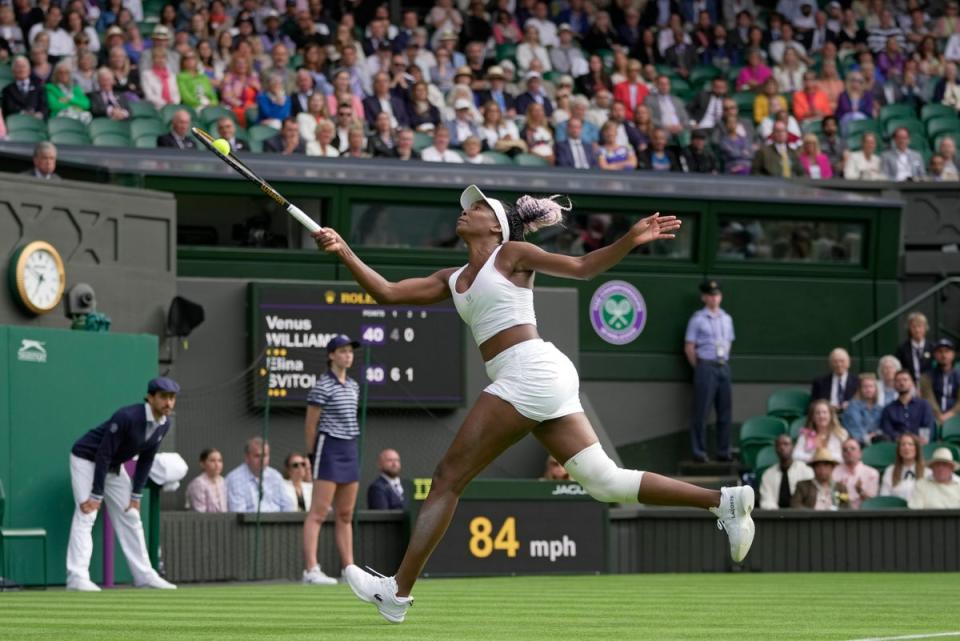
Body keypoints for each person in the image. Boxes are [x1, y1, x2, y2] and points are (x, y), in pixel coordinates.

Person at [314, 185, 755, 623]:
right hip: (536, 377)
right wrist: (345, 251)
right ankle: (724, 502)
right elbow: (388, 293)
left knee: (448, 477)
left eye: (480, 208)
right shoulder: (452, 278)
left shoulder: (512, 255)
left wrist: (628, 240)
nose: (467, 212)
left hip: (530, 372)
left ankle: (397, 592)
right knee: (606, 482)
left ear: (498, 227)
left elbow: (582, 267)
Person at [67, 377, 180, 591]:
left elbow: (147, 458)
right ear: (150, 397)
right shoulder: (127, 416)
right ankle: (77, 577)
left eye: (172, 398)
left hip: (112, 466)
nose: (168, 403)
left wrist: (136, 495)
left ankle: (144, 576)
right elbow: (103, 454)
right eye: (164, 397)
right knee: (87, 513)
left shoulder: (165, 424)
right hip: (86, 459)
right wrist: (96, 495)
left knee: (131, 515)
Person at [302, 334, 362, 586]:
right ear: (331, 356)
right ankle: (311, 570)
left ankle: (348, 569)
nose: (348, 355)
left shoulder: (354, 386)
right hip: (328, 449)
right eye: (342, 351)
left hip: (350, 448)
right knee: (318, 513)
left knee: (345, 514)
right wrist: (312, 455)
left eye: (350, 351)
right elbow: (310, 425)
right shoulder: (322, 386)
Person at [684, 279, 735, 463]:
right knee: (701, 411)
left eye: (717, 295)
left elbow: (729, 341)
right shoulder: (697, 319)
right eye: (711, 295)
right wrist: (699, 367)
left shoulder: (727, 318)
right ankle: (699, 452)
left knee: (725, 411)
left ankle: (723, 451)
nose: (714, 299)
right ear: (704, 297)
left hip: (723, 365)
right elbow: (689, 347)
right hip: (705, 366)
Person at [225, 437, 294, 512]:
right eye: (257, 456)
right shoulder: (235, 479)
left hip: (278, 522)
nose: (262, 460)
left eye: (265, 455)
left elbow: (288, 505)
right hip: (250, 523)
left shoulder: (275, 476)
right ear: (247, 457)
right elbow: (238, 513)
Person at [759, 433, 814, 509]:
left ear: (793, 447)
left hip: (802, 516)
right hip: (775, 517)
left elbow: (810, 499)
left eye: (786, 444)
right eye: (779, 445)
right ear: (775, 449)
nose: (782, 447)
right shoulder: (768, 474)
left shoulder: (806, 471)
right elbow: (766, 501)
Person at [879, 370, 936, 442]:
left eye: (905, 380)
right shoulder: (888, 409)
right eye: (898, 381)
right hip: (896, 446)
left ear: (912, 383)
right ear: (894, 385)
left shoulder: (924, 405)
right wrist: (905, 440)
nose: (902, 383)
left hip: (921, 445)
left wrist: (918, 440)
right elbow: (888, 431)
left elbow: (928, 426)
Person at [794, 399, 849, 464]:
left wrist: (826, 457)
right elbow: (795, 455)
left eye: (824, 412)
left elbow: (846, 456)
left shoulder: (841, 433)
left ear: (831, 415)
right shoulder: (805, 434)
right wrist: (814, 458)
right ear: (813, 417)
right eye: (817, 413)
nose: (821, 416)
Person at [919, 338, 960, 425]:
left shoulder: (958, 375)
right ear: (935, 355)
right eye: (940, 351)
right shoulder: (926, 376)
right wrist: (939, 415)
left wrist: (950, 414)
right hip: (933, 416)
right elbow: (928, 399)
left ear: (953, 354)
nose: (943, 355)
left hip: (956, 416)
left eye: (947, 351)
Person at [880, 433, 930, 500]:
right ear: (899, 450)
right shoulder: (890, 471)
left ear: (917, 449)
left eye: (910, 444)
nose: (906, 447)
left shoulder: (927, 472)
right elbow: (884, 498)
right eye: (903, 445)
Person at [832, 438, 879, 509]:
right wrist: (842, 493)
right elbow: (833, 499)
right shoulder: (835, 471)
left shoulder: (872, 473)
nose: (848, 451)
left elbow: (873, 503)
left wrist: (860, 491)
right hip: (841, 513)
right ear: (842, 455)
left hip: (864, 514)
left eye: (852, 448)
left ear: (860, 453)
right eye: (845, 450)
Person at [842, 374, 884, 444]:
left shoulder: (879, 409)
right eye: (865, 387)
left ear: (875, 389)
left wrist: (875, 434)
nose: (868, 389)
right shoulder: (853, 406)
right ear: (860, 389)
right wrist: (867, 437)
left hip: (875, 442)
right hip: (857, 442)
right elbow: (855, 426)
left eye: (871, 386)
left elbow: (881, 428)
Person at [895, 311, 934, 383]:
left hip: (929, 384)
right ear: (909, 328)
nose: (917, 330)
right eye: (913, 327)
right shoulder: (902, 349)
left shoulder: (932, 347)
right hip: (908, 384)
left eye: (920, 326)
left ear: (925, 328)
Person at [185, 448, 227, 513]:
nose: (217, 464)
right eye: (212, 461)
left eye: (219, 460)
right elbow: (200, 512)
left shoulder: (223, 481)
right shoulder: (198, 483)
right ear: (202, 464)